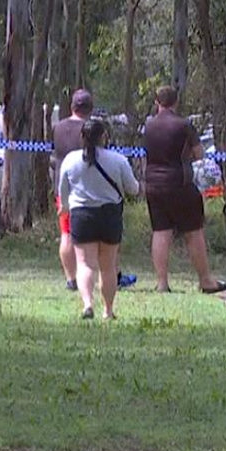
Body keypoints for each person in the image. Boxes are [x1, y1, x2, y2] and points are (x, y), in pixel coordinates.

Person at [141, 86, 226, 294]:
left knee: (161, 231)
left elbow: (146, 154)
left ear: (157, 102)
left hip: (153, 184)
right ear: (176, 102)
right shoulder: (184, 125)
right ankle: (205, 281)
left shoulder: (148, 126)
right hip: (180, 183)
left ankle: (162, 283)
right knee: (193, 231)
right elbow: (199, 155)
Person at [49, 89, 136, 291]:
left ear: (72, 106)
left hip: (64, 186)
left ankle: (71, 278)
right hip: (89, 187)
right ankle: (113, 274)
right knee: (106, 241)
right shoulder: (91, 129)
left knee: (67, 234)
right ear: (90, 108)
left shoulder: (58, 127)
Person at [58, 119, 140, 319]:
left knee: (85, 264)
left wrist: (65, 208)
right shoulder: (118, 159)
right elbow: (133, 189)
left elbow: (62, 190)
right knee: (108, 266)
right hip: (110, 214)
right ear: (104, 137)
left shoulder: (70, 159)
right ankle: (108, 310)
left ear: (82, 137)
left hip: (82, 215)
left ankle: (87, 304)